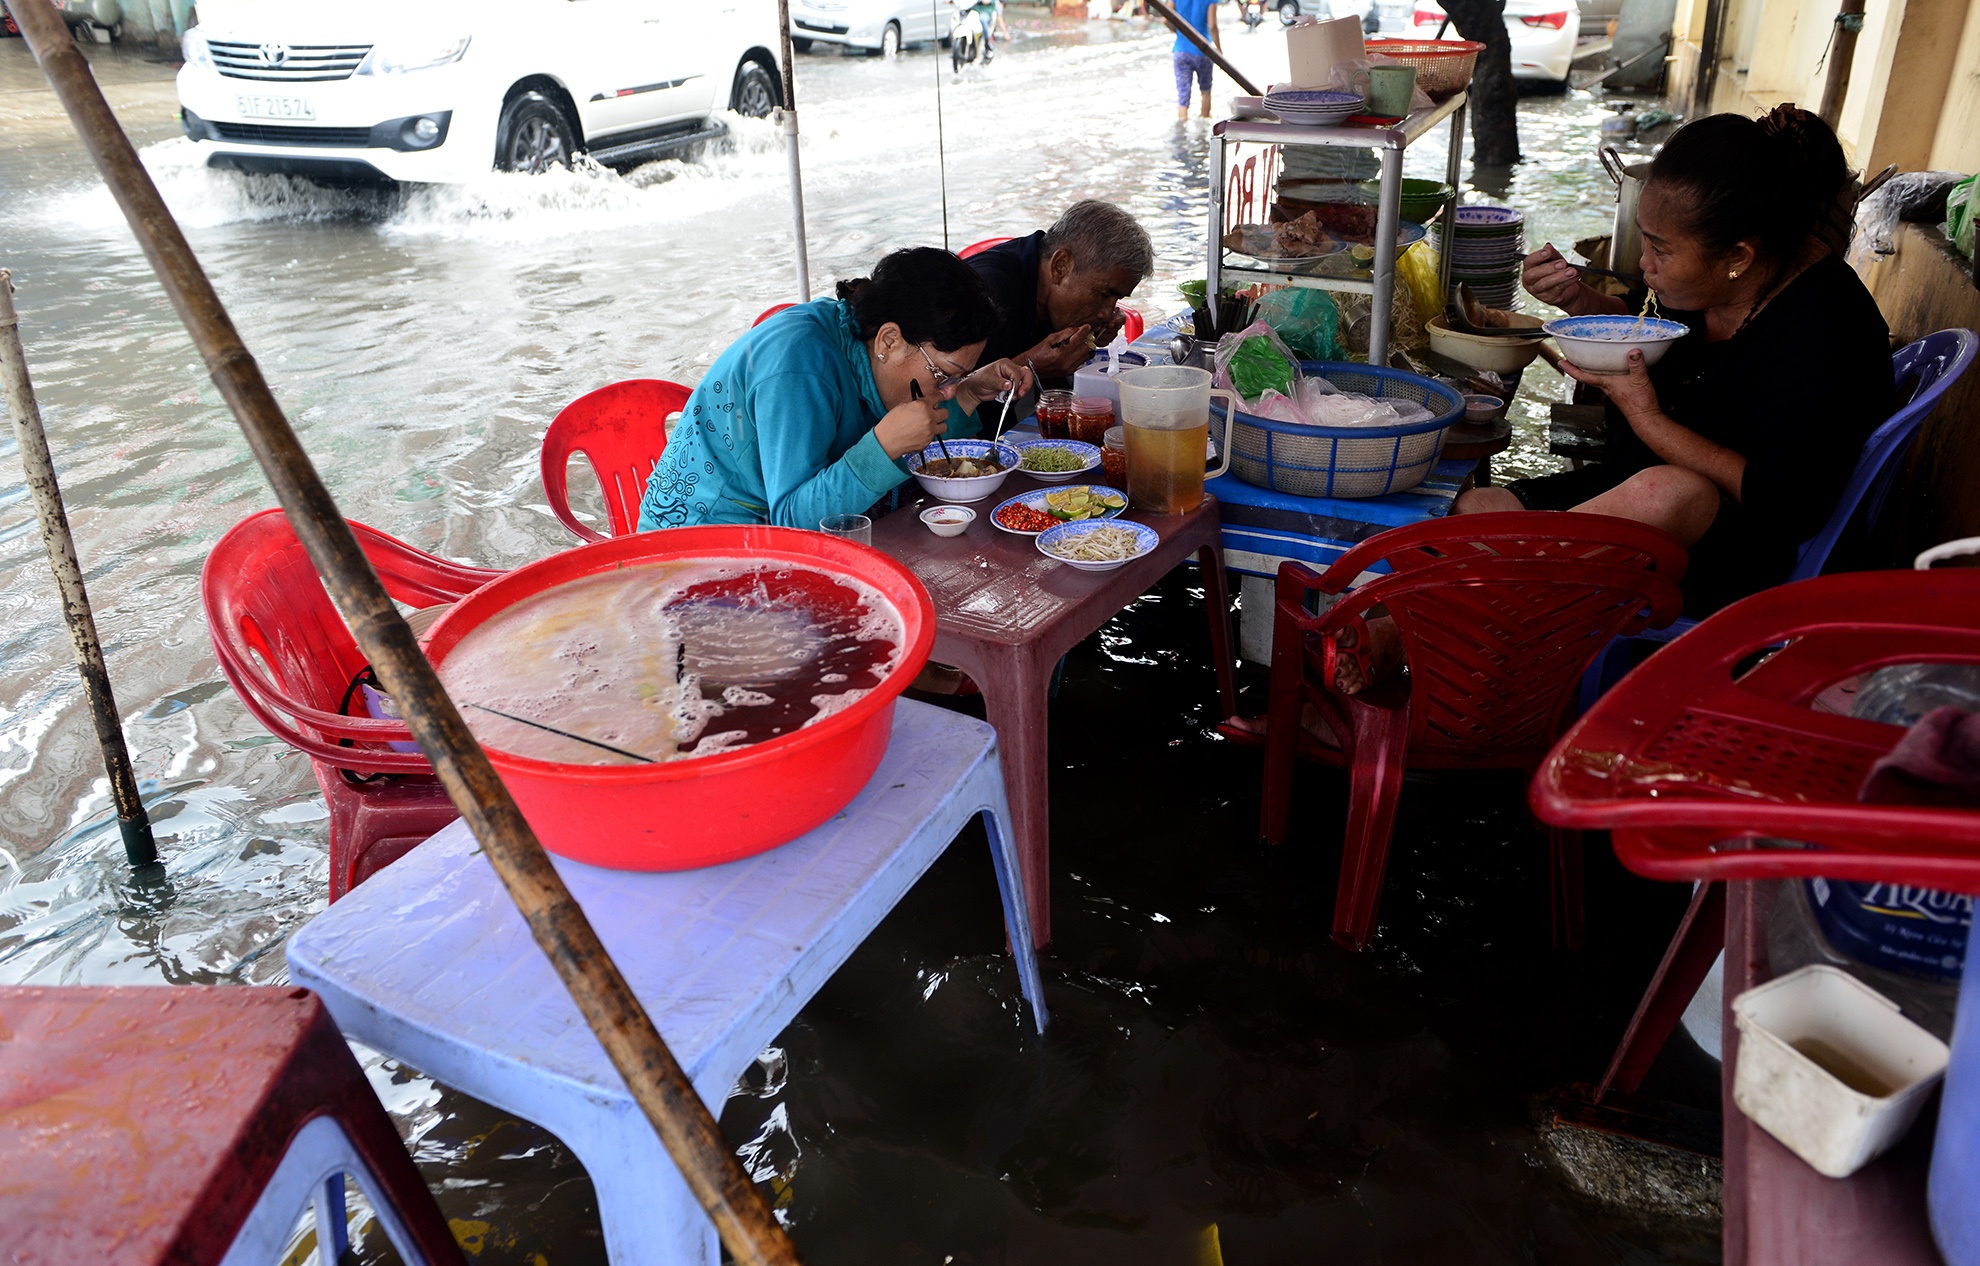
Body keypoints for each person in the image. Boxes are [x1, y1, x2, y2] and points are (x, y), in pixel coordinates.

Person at [1337, 105, 1895, 692]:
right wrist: (1579, 301)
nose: (1642, 265)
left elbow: (1790, 502)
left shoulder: (1825, 331)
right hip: (1634, 492)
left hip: (1744, 552)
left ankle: (1409, 639)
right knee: (1468, 513)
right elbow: (1649, 334)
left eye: (1659, 250)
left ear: (1739, 257)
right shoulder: (1728, 270)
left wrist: (1648, 419)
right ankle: (1405, 660)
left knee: (1671, 491)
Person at [636, 248, 1030, 531]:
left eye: (956, 377)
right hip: (702, 542)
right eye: (942, 374)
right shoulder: (798, 365)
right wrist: (882, 446)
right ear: (889, 341)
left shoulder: (864, 345)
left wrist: (969, 392)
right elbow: (792, 520)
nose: (944, 389)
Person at [965, 200, 1154, 386]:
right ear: (1060, 266)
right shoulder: (985, 293)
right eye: (1103, 295)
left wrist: (1091, 337)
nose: (1107, 313)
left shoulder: (1051, 294)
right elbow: (943, 396)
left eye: (1117, 299)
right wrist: (1029, 367)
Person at [1170, 0, 1219, 120]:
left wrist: (1177, 30)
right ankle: (1204, 127)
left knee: (1183, 95)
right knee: (1206, 90)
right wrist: (1218, 49)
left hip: (1181, 51)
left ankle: (1182, 128)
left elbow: (1166, 18)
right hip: (1203, 51)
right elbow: (1212, 26)